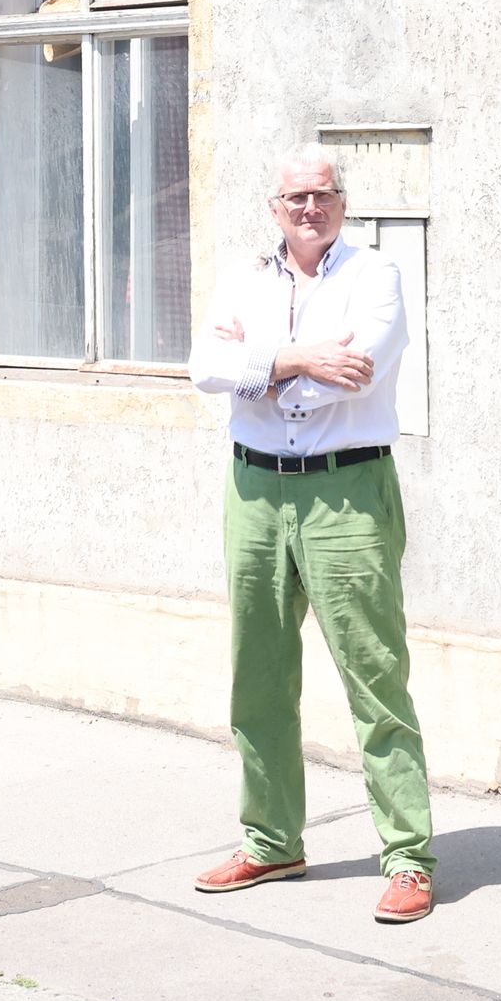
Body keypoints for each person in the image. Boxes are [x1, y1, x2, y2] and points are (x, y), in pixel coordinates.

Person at [187, 146, 434, 923]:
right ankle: (271, 842)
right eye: (295, 196)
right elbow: (203, 366)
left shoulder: (376, 275)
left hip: (346, 490)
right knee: (257, 675)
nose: (309, 208)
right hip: (254, 489)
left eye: (322, 194)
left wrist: (258, 368)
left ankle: (409, 857)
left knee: (374, 673)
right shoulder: (245, 278)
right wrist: (300, 358)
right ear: (275, 206)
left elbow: (358, 369)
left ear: (341, 203)